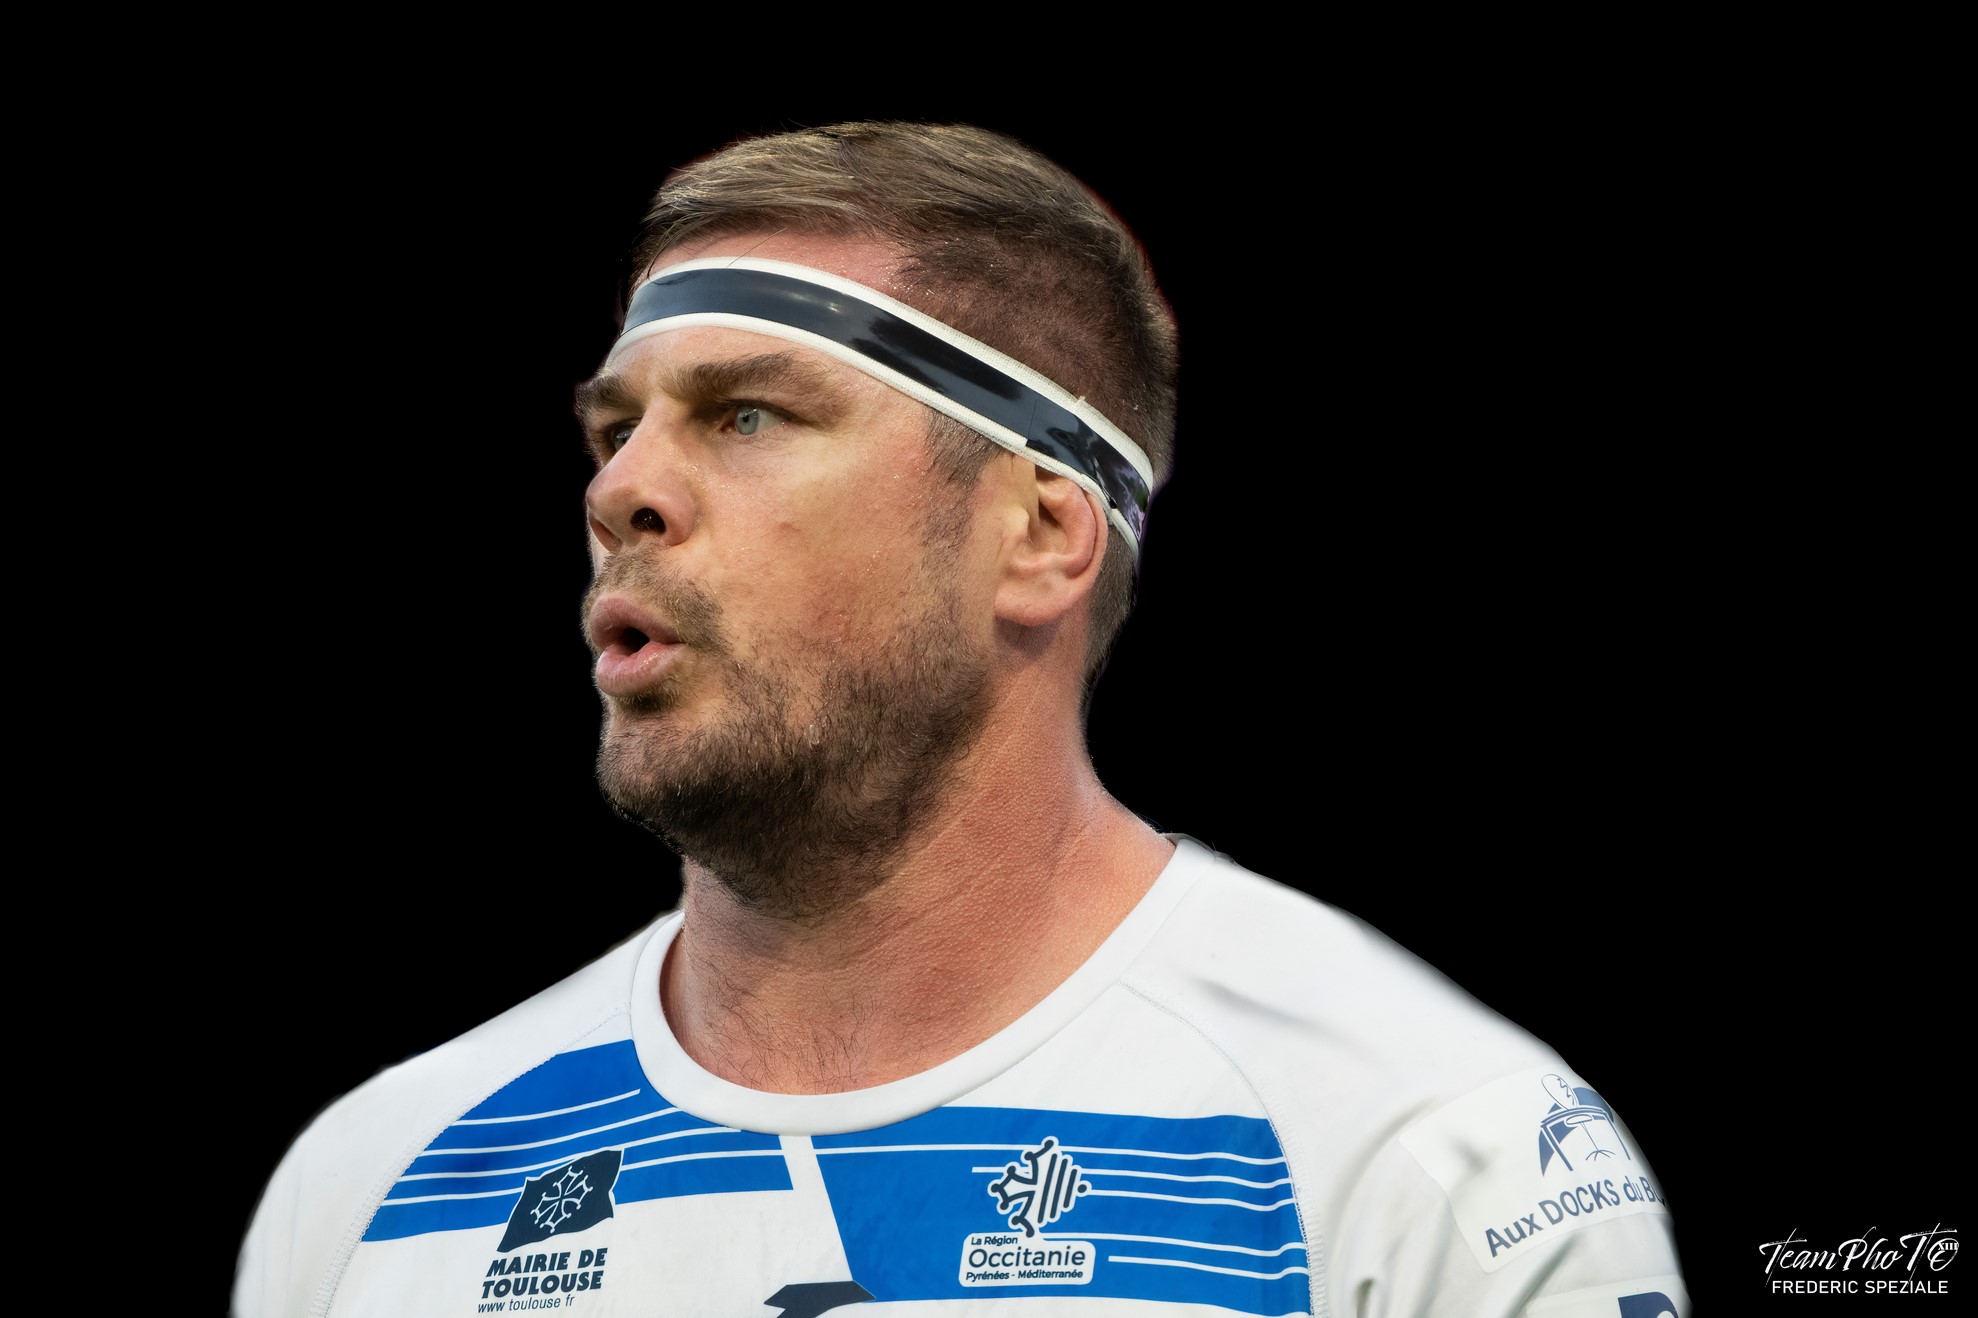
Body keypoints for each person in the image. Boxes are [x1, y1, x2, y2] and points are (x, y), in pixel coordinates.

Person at [233, 120, 1688, 1317]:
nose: (620, 490)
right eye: (618, 429)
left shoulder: (1430, 1152)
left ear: (1040, 535)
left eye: (748, 414)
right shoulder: (373, 1189)